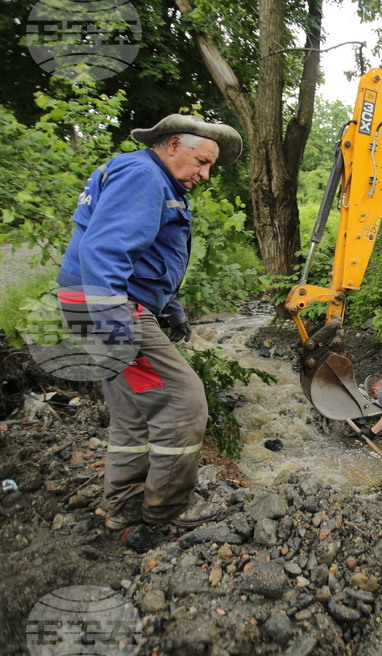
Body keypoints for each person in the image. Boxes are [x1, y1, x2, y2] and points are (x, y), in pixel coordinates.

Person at [56, 114, 242, 529]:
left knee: (133, 412)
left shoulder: (143, 173)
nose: (206, 174)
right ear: (173, 144)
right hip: (107, 305)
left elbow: (144, 254)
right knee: (184, 402)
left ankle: (123, 504)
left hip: (93, 300)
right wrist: (113, 319)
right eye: (202, 161)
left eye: (210, 166)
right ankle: (167, 509)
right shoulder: (144, 175)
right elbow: (106, 247)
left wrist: (168, 303)